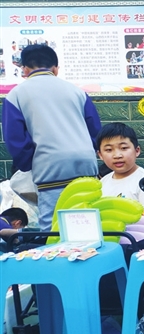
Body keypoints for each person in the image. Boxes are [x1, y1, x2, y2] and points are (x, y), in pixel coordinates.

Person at [2, 44, 101, 230]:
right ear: (55, 69)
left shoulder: (15, 95)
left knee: (54, 227)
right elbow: (95, 131)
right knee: (90, 222)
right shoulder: (77, 92)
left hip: (50, 169)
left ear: (24, 69)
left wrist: (30, 163)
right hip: (86, 166)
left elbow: (15, 139)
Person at [96, 123, 144, 210]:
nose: (117, 155)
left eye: (123, 148)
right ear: (100, 155)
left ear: (137, 151)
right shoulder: (102, 183)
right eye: (109, 150)